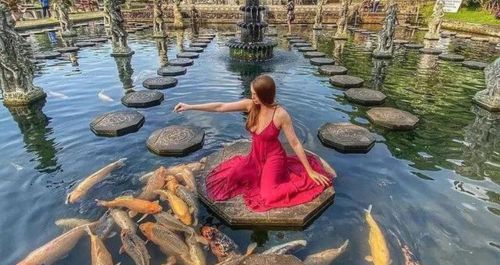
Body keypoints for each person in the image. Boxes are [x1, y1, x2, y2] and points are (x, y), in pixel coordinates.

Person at [174, 75, 334, 212]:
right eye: (252, 94)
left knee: (268, 196)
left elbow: (295, 143)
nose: (252, 97)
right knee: (229, 179)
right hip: (255, 157)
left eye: (255, 94)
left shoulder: (280, 114)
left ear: (265, 95)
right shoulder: (250, 105)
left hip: (274, 158)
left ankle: (303, 178)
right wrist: (190, 106)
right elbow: (220, 107)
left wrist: (310, 171)